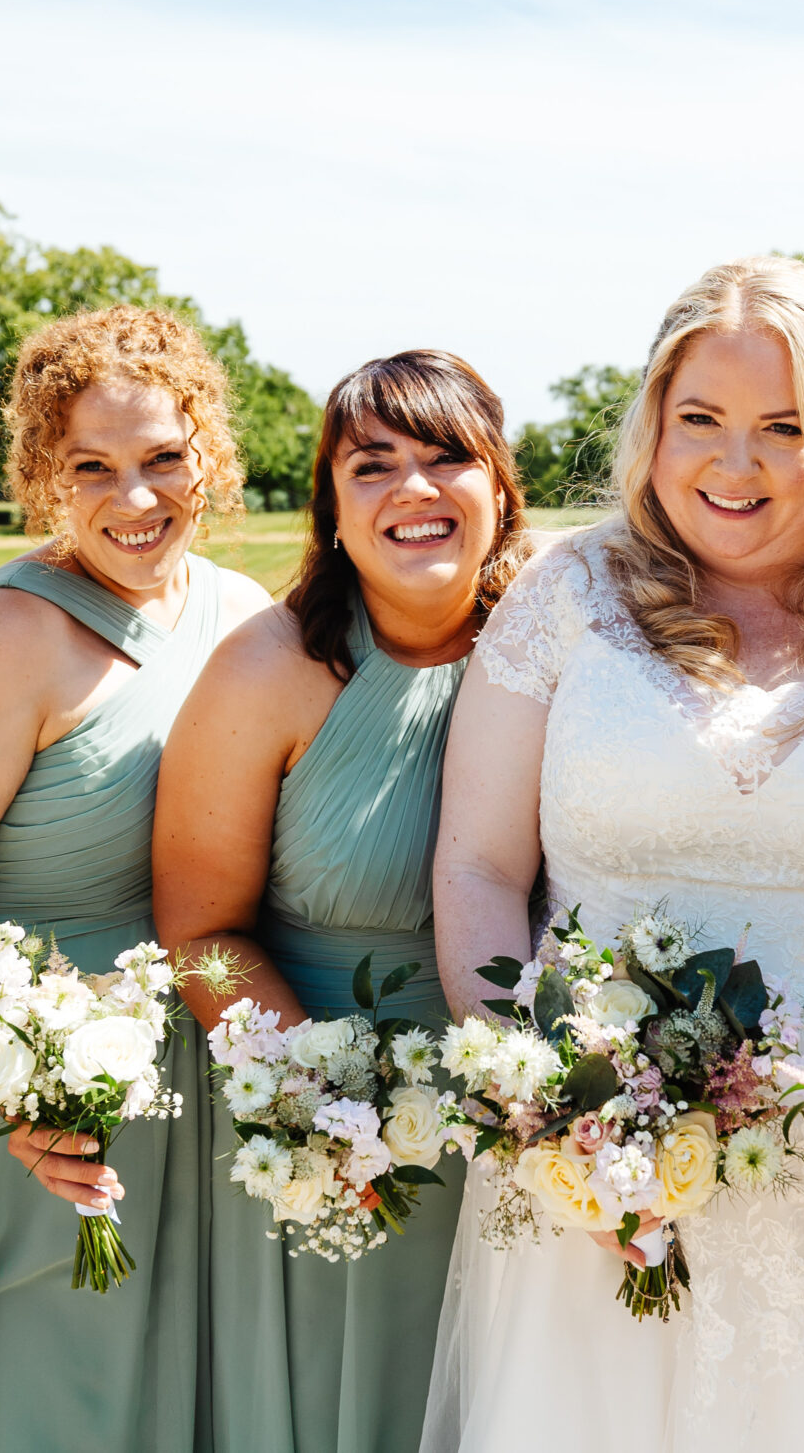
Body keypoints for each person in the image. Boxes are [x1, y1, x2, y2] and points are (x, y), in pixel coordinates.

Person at [422, 256, 804, 1452]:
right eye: (700, 421)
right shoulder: (570, 594)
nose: (736, 463)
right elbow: (475, 869)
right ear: (651, 428)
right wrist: (541, 1099)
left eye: (784, 427)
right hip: (595, 1179)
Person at [0, 304, 272, 1453]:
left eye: (164, 461)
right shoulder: (1, 639)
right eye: (93, 467)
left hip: (195, 1095)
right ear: (45, 473)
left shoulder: (245, 615)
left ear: (209, 456)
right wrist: (24, 1091)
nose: (135, 499)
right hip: (25, 1116)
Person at [156, 349, 533, 1453]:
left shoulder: (560, 649)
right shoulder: (266, 670)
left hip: (535, 1120)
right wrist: (326, 1109)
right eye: (373, 466)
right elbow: (199, 936)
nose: (414, 490)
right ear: (331, 504)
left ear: (499, 486)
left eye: (446, 458)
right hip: (335, 1133)